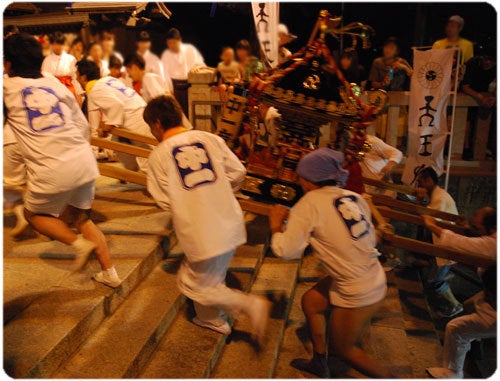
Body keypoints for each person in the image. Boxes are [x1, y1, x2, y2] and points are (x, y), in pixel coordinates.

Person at [144, 95, 270, 341]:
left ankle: (251, 305)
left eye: (151, 127)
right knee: (212, 273)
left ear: (157, 124)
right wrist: (217, 191)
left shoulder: (158, 155)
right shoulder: (210, 139)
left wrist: (188, 201)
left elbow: (162, 199)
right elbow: (238, 172)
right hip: (228, 218)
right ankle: (212, 319)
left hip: (200, 228)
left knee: (193, 283)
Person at [3, 33, 121, 287]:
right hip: (84, 160)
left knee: (33, 214)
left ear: (8, 64)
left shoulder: (6, 89)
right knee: (82, 218)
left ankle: (78, 244)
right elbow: (80, 124)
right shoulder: (54, 83)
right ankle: (109, 272)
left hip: (51, 167)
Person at [269, 148, 391, 378]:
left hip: (358, 289)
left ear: (308, 179)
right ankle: (319, 362)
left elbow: (287, 251)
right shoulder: (352, 197)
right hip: (372, 273)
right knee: (311, 302)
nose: (299, 180)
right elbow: (371, 236)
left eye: (300, 175)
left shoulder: (309, 203)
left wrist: (276, 226)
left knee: (345, 349)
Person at [422, 209, 496, 378]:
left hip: (495, 306)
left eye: (477, 220)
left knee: (455, 329)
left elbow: (461, 243)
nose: (472, 219)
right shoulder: (492, 238)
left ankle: (453, 373)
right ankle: (476, 347)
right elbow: (477, 241)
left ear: (488, 226)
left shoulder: (493, 243)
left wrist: (431, 225)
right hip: (491, 296)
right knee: (469, 305)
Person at [76, 59, 155, 173]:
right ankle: (131, 171)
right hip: (140, 110)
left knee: (145, 155)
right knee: (117, 143)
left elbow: (116, 105)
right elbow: (95, 125)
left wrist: (108, 127)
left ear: (83, 77)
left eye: (77, 75)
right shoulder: (109, 80)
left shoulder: (94, 91)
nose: (76, 79)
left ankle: (151, 182)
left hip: (134, 117)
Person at [416, 167, 462, 317]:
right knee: (434, 278)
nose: (419, 186)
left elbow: (428, 217)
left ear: (430, 180)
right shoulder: (435, 195)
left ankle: (455, 305)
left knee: (435, 280)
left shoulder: (440, 198)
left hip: (447, 246)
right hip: (441, 245)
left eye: (421, 182)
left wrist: (420, 201)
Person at [461, 44, 496, 160]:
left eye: (491, 61)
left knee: (486, 123)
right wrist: (481, 97)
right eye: (486, 59)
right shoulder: (472, 64)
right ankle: (466, 149)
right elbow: (465, 86)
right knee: (467, 122)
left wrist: (494, 97)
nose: (488, 63)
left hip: (487, 93)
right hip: (470, 93)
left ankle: (486, 149)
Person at [160, 28, 205, 115]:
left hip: (190, 85)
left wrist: (197, 67)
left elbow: (201, 64)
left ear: (179, 40)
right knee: (177, 112)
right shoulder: (166, 54)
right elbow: (164, 74)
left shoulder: (190, 49)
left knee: (191, 111)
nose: (171, 45)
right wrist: (169, 90)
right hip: (174, 86)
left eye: (174, 42)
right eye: (169, 43)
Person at [41, 31, 82, 102]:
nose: (57, 47)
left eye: (59, 44)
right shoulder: (47, 60)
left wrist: (78, 93)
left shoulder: (71, 58)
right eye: (54, 44)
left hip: (69, 88)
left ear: (63, 44)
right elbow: (45, 78)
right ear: (51, 45)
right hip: (54, 91)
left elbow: (74, 79)